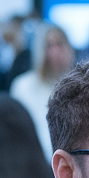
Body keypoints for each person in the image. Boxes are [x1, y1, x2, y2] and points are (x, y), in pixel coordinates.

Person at [11, 24, 76, 159]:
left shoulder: (78, 85)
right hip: (34, 162)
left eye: (59, 45)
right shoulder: (23, 86)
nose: (55, 52)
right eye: (49, 46)